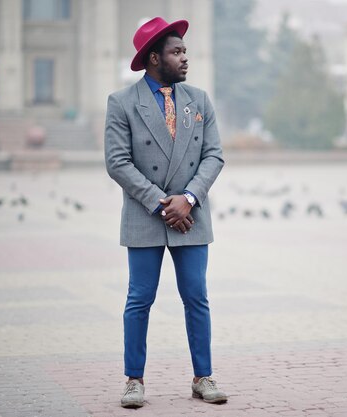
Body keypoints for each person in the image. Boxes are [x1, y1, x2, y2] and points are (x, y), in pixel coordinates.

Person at [104, 16, 227, 408]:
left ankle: (202, 377)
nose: (184, 58)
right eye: (176, 52)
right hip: (146, 215)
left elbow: (214, 155)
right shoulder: (122, 103)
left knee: (197, 297)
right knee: (139, 299)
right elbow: (118, 162)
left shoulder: (199, 100)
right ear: (154, 58)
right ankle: (134, 380)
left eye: (185, 51)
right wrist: (163, 202)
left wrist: (188, 198)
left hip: (190, 215)